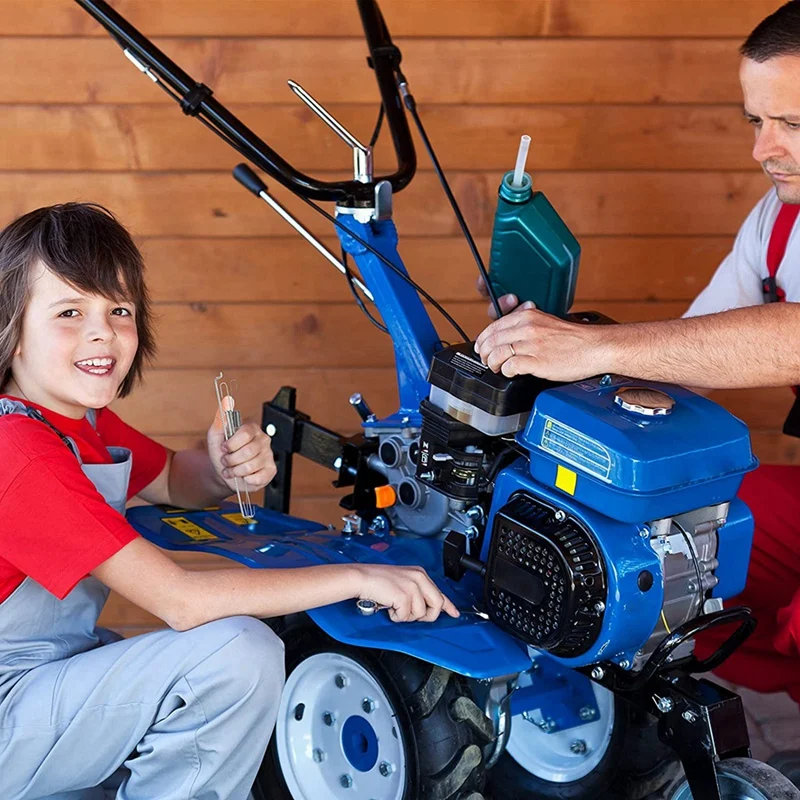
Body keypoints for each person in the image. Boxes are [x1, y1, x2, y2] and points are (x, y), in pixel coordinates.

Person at [0, 202, 459, 800]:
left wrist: (218, 468)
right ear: (11, 327)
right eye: (69, 311)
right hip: (11, 699)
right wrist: (359, 577)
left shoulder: (76, 420)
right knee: (236, 655)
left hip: (47, 675)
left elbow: (174, 480)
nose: (102, 332)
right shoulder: (18, 450)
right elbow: (181, 601)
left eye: (120, 310)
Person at [477, 0, 800, 734]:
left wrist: (599, 348)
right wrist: (553, 342)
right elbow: (690, 355)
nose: (763, 149)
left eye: (792, 123)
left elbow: (791, 339)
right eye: (756, 120)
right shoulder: (777, 220)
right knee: (677, 565)